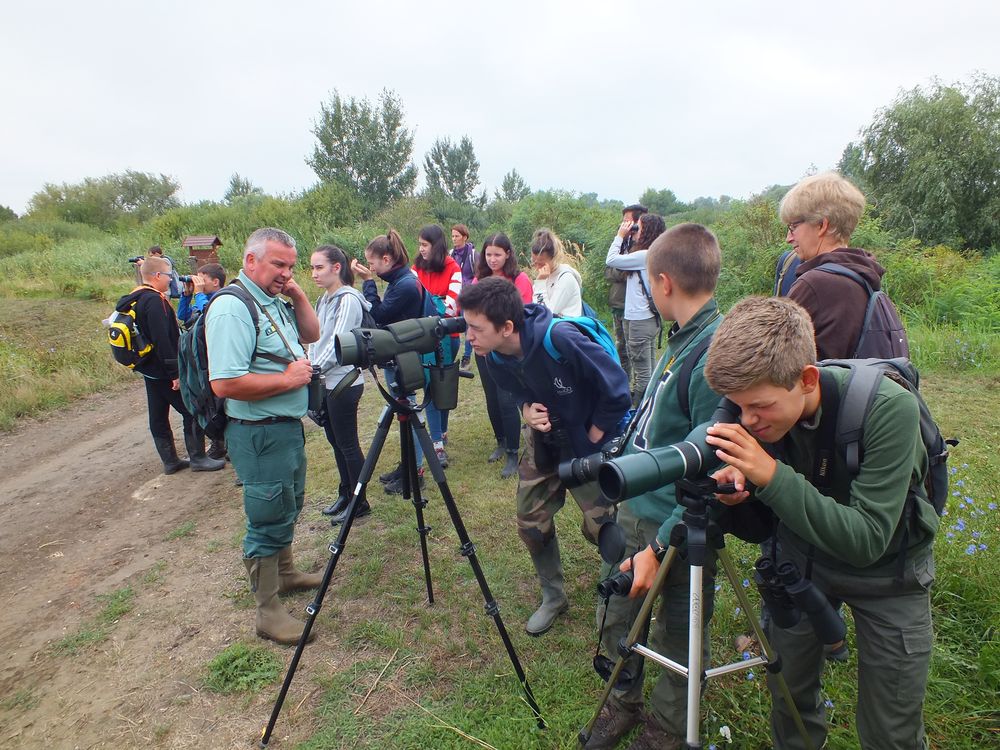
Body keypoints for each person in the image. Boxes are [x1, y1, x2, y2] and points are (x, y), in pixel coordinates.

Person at [704, 296, 936, 750]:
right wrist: (740, 489)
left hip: (889, 576)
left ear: (807, 379)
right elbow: (766, 512)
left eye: (759, 407)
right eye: (737, 407)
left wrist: (770, 476)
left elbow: (867, 539)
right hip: (801, 562)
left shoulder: (888, 409)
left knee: (892, 728)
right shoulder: (761, 406)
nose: (747, 421)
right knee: (789, 697)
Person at [585, 223, 725, 750]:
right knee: (617, 612)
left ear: (662, 283)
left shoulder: (713, 353)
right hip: (634, 507)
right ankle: (620, 704)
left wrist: (666, 536)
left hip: (675, 521)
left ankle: (667, 729)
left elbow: (710, 464)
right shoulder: (682, 337)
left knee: (679, 633)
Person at [458, 277, 630, 636]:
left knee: (606, 531)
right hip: (544, 443)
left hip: (588, 447)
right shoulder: (493, 355)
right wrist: (526, 411)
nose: (468, 337)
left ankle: (615, 598)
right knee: (531, 523)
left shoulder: (561, 339)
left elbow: (617, 390)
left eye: (475, 328)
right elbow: (516, 390)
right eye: (466, 327)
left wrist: (590, 437)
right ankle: (554, 596)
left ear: (506, 327)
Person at [206, 227, 322, 645]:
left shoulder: (271, 299)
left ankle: (286, 573)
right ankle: (268, 612)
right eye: (278, 264)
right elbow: (224, 382)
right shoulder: (232, 308)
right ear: (251, 260)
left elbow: (310, 335)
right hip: (257, 434)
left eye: (291, 266)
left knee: (289, 503)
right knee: (267, 515)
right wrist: (289, 380)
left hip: (284, 429)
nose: (285, 273)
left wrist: (299, 295)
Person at [117, 256, 227, 476]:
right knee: (191, 409)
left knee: (157, 414)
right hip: (163, 369)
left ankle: (170, 461)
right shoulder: (154, 301)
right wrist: (175, 373)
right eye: (169, 276)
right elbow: (163, 339)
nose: (171, 281)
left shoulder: (134, 297)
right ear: (157, 276)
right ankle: (198, 458)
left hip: (148, 367)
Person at [352, 229, 427, 495]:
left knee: (411, 411)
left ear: (386, 258)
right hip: (399, 356)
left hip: (405, 358)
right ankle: (407, 465)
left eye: (371, 263)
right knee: (403, 411)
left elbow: (379, 315)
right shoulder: (401, 280)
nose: (369, 267)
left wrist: (368, 282)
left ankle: (415, 472)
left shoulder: (406, 284)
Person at [779, 171, 885, 360]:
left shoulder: (814, 284)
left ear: (822, 225)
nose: (789, 238)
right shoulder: (863, 273)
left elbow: (771, 359)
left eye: (793, 227)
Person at [309, 245, 372, 525]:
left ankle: (360, 501)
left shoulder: (347, 299)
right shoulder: (325, 298)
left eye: (319, 267)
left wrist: (312, 370)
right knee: (335, 441)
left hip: (344, 381)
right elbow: (315, 339)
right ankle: (346, 493)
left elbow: (339, 345)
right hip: (326, 380)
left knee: (347, 444)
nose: (314, 274)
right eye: (312, 267)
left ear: (337, 267)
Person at [473, 232, 532, 478]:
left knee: (507, 398)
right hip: (484, 349)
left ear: (508, 254)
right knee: (491, 397)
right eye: (488, 254)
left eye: (497, 254)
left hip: (507, 350)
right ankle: (500, 441)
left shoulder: (519, 279)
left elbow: (525, 313)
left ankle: (512, 451)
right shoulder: (480, 280)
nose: (492, 259)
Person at [414, 224, 463, 468]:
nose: (421, 249)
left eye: (425, 245)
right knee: (431, 389)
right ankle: (437, 444)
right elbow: (412, 301)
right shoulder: (415, 270)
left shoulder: (453, 269)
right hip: (424, 339)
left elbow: (451, 308)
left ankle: (442, 431)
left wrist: (429, 303)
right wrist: (436, 301)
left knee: (444, 385)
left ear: (436, 245)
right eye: (419, 244)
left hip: (449, 338)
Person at [605, 212, 666, 406]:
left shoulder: (645, 256)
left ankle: (640, 412)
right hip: (648, 318)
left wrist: (620, 235)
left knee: (642, 373)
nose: (634, 231)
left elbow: (611, 260)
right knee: (649, 367)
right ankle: (653, 405)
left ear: (647, 231)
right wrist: (628, 239)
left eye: (638, 227)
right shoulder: (654, 253)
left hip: (640, 320)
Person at [606, 204, 646, 381]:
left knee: (635, 353)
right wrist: (621, 270)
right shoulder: (622, 243)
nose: (624, 225)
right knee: (621, 348)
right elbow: (608, 271)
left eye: (628, 221)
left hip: (633, 308)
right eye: (623, 222)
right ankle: (623, 386)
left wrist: (621, 268)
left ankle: (638, 392)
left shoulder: (642, 245)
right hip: (617, 304)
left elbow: (626, 271)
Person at [530, 228, 583, 316]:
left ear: (554, 258)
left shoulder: (566, 278)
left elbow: (546, 315)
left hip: (564, 327)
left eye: (541, 264)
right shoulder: (544, 276)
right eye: (534, 262)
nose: (537, 268)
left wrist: (539, 283)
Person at [451, 224, 478, 368]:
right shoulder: (451, 254)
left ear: (465, 237)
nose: (454, 239)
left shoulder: (473, 254)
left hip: (468, 297)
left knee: (469, 325)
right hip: (454, 296)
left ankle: (466, 357)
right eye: (452, 236)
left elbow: (479, 274)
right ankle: (450, 355)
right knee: (453, 325)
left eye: (457, 236)